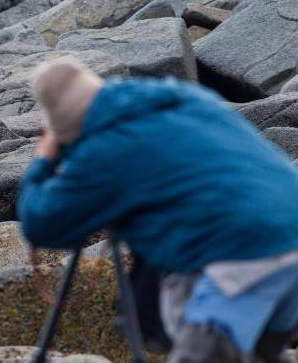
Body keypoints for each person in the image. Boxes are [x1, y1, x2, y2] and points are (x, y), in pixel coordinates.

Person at [17, 57, 298, 363]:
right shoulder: (184, 99)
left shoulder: (107, 147)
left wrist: (44, 161)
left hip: (241, 258)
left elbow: (42, 222)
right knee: (259, 353)